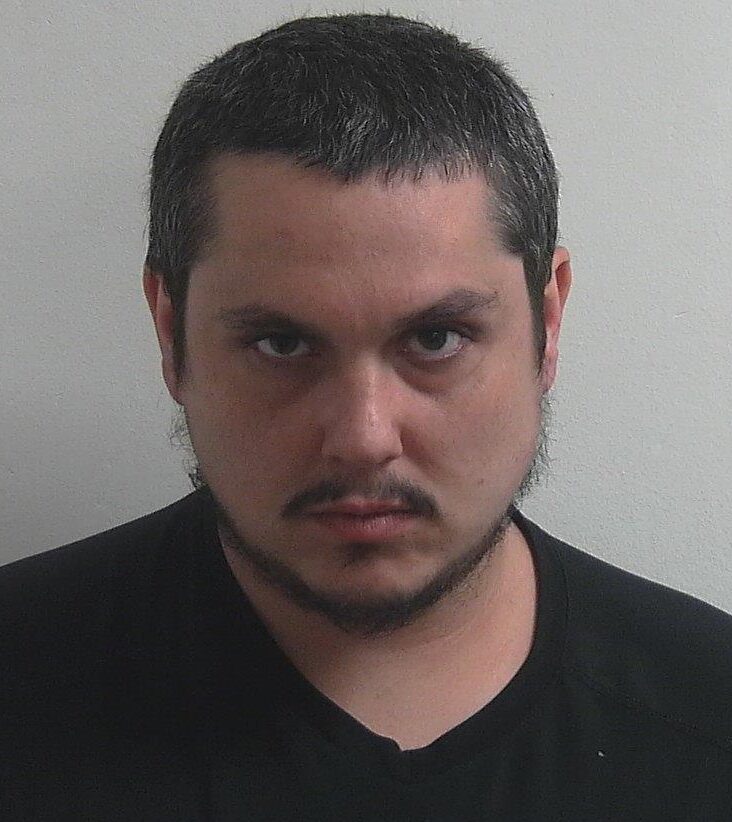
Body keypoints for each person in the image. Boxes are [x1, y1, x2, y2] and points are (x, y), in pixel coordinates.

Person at [2, 12, 731, 821]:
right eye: (282, 344)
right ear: (169, 331)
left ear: (547, 322)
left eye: (436, 339)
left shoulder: (708, 719)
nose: (363, 438)